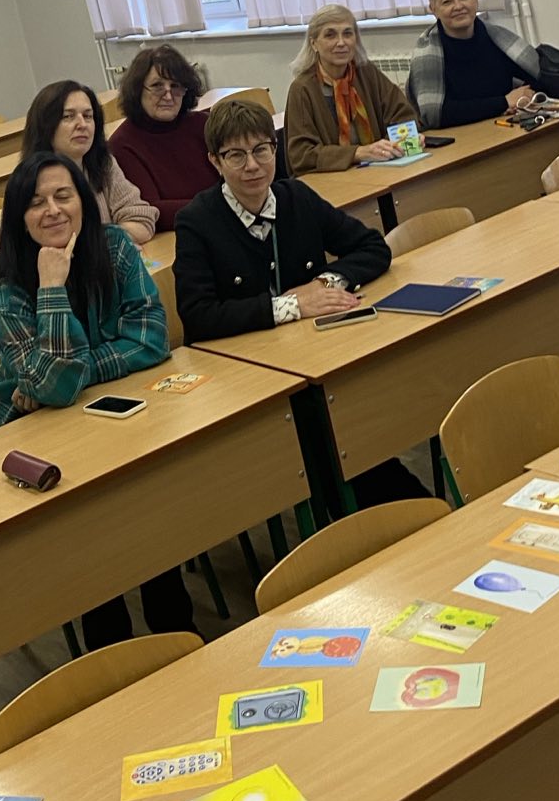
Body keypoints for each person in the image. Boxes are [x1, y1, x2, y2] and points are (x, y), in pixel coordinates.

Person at [0, 151, 195, 648]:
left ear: (83, 200)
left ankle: (177, 633)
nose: (53, 210)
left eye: (64, 196)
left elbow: (152, 340)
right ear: (18, 218)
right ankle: (110, 651)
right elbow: (56, 388)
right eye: (36, 203)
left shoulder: (115, 246)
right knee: (91, 540)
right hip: (30, 439)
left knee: (148, 509)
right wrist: (52, 287)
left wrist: (78, 373)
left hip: (111, 415)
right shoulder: (4, 291)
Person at [175, 98, 426, 503]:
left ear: (275, 150)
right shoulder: (197, 221)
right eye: (236, 155)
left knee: (363, 412)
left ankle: (390, 499)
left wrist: (325, 282)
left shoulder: (296, 197)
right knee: (324, 437)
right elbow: (197, 316)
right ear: (214, 162)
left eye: (261, 150)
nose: (252, 165)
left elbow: (373, 247)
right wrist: (291, 306)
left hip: (315, 357)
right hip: (248, 376)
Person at [285, 4, 418, 173]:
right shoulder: (302, 89)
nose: (341, 43)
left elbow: (403, 116)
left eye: (347, 34)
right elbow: (302, 155)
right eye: (330, 35)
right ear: (314, 43)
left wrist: (399, 143)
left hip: (377, 169)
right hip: (330, 177)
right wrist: (357, 153)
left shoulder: (366, 73)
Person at [23, 79, 158, 244]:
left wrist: (100, 241)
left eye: (88, 116)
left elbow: (142, 222)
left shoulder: (103, 164)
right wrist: (114, 237)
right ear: (45, 125)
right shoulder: (27, 179)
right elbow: (10, 241)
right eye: (68, 116)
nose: (82, 124)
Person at [407, 0, 540, 128]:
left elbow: (539, 77)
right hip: (459, 137)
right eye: (447, 2)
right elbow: (435, 115)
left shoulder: (498, 38)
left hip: (503, 128)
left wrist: (521, 100)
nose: (458, 6)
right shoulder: (425, 55)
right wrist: (503, 103)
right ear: (433, 9)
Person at [110, 44, 219, 228]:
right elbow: (151, 209)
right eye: (157, 86)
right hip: (175, 234)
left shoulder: (204, 125)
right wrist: (220, 206)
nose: (168, 96)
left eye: (175, 86)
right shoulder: (122, 144)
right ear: (137, 90)